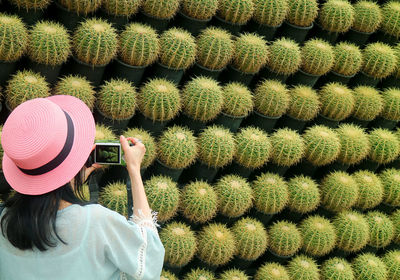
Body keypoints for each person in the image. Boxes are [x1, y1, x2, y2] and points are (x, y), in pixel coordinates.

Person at [0, 96, 164, 280]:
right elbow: (149, 262)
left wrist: (74, 176)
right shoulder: (96, 221)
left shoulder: (4, 220)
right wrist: (134, 170)